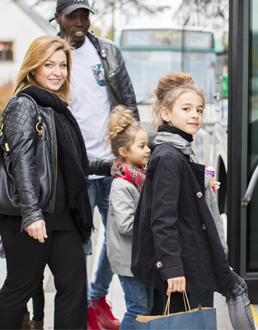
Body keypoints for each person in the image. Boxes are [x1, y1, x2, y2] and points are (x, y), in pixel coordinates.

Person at [0, 35, 110, 330]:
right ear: (33, 68)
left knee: (74, 288)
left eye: (63, 65)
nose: (58, 71)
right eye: (49, 64)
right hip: (29, 216)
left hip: (63, 215)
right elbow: (22, 163)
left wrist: (111, 166)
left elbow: (73, 164)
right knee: (20, 289)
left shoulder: (58, 108)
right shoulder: (24, 105)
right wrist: (32, 213)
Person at [131, 71, 255, 330]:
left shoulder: (181, 152)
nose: (195, 115)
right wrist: (173, 269)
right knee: (234, 291)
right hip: (183, 260)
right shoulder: (169, 156)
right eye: (186, 108)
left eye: (199, 109)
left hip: (190, 253)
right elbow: (162, 219)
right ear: (166, 113)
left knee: (227, 295)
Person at [51, 1, 140, 329]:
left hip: (112, 164)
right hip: (74, 168)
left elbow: (128, 103)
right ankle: (76, 306)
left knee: (122, 237)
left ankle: (96, 298)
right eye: (72, 15)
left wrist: (132, 153)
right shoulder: (52, 56)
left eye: (84, 15)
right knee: (78, 245)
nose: (79, 22)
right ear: (58, 16)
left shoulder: (109, 52)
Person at [105, 106, 153, 329]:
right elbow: (125, 225)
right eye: (141, 146)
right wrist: (155, 222)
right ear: (123, 151)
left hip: (141, 256)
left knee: (148, 305)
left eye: (147, 145)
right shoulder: (121, 184)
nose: (148, 150)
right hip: (128, 260)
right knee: (138, 308)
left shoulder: (140, 177)